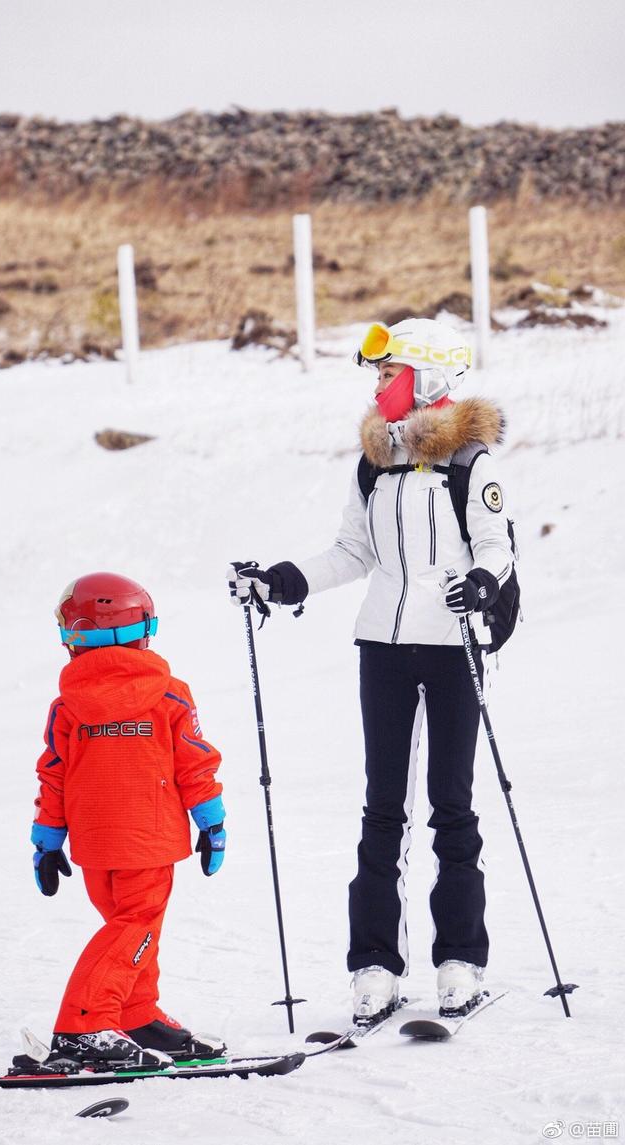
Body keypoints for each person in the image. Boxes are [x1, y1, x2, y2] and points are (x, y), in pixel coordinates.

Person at [227, 317, 515, 1022]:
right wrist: (286, 580)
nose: (378, 385)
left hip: (452, 650)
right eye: (378, 375)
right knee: (381, 810)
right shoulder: (373, 464)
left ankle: (459, 961)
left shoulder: (471, 462)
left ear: (429, 378)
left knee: (452, 806)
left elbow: (496, 545)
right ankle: (375, 968)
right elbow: (352, 553)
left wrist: (479, 583)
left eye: (389, 373)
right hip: (381, 652)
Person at [31, 571, 226, 1069]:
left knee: (128, 927)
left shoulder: (66, 706)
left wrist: (48, 840)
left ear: (75, 637)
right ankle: (85, 1023)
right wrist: (212, 822)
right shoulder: (170, 695)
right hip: (150, 840)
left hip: (93, 844)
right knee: (136, 927)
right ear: (142, 628)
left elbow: (53, 774)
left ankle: (135, 1014)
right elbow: (195, 761)